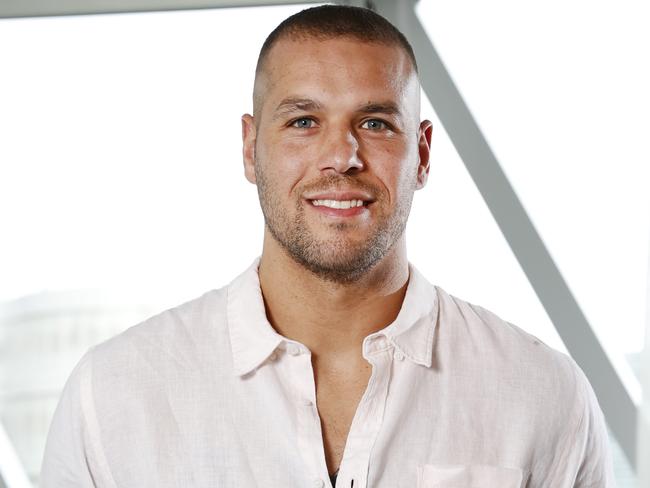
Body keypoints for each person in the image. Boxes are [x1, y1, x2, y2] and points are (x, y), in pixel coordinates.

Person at [41, 5, 616, 488]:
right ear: (249, 147)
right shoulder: (114, 394)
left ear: (423, 153)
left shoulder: (544, 394)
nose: (341, 157)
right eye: (303, 121)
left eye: (375, 123)